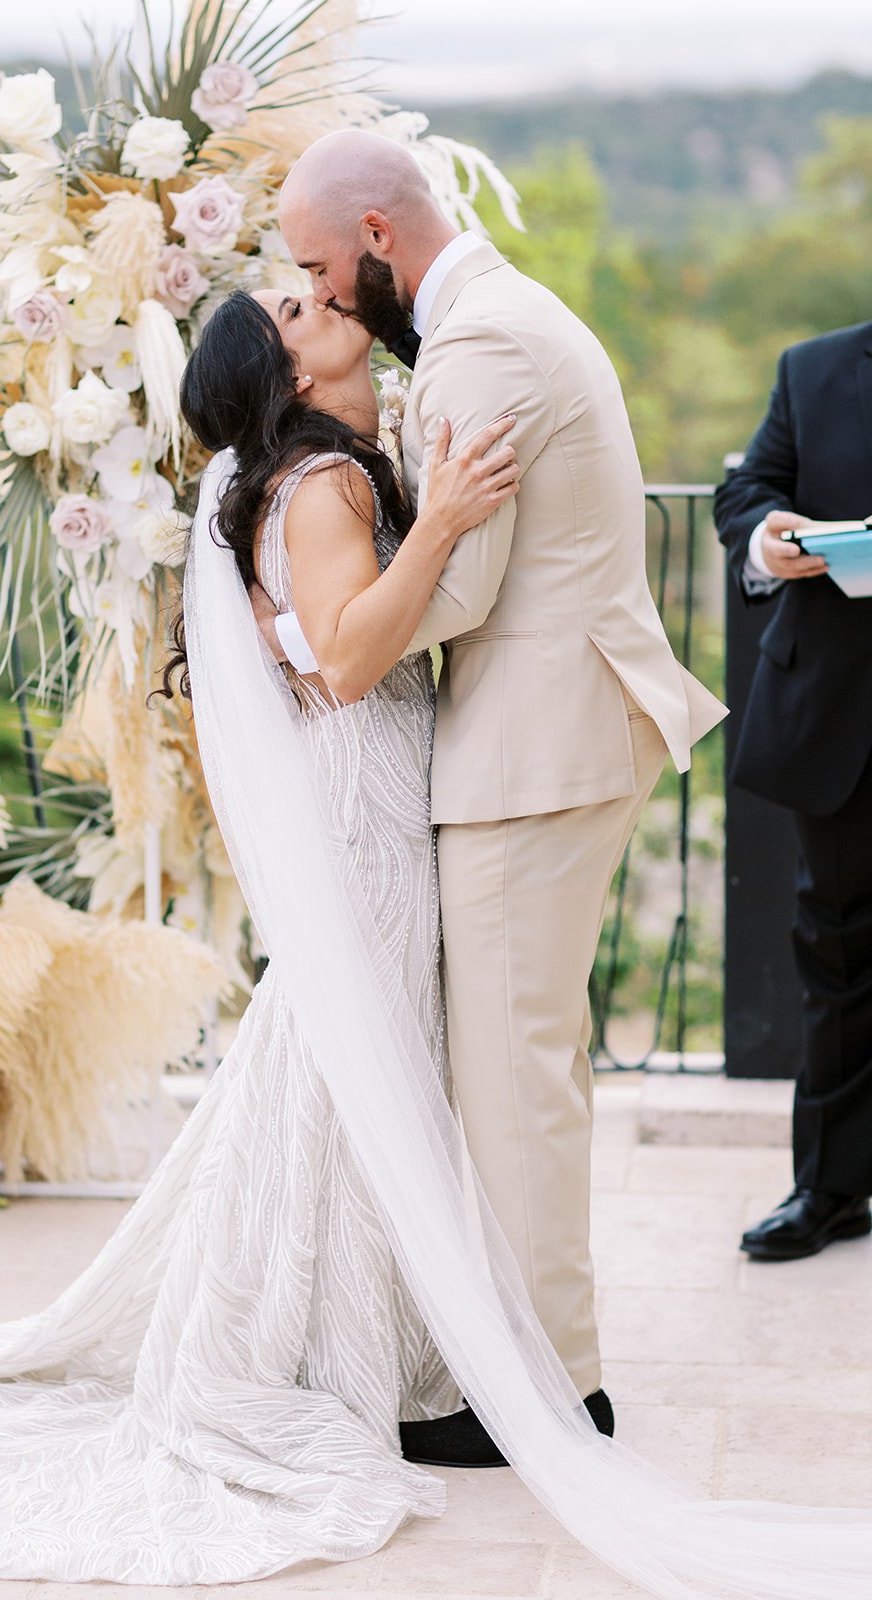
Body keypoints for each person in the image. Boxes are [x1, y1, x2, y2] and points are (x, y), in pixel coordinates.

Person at [0, 251, 870, 1600]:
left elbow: (312, 647)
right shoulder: (329, 485)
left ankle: (365, 1333)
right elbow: (355, 656)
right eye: (297, 309)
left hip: (365, 792)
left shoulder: (318, 470)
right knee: (357, 1056)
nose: (322, 301)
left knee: (350, 1061)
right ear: (291, 371)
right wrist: (445, 519)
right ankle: (324, 1354)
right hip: (363, 810)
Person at [263, 129, 727, 1464]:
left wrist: (321, 615)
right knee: (525, 1065)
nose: (321, 291)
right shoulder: (495, 315)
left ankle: (547, 1394)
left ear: (380, 239)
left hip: (537, 744)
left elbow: (459, 593)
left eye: (317, 265)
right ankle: (538, 1367)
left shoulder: (480, 344)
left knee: (514, 1077)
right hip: (548, 729)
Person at [714, 321, 872, 1263]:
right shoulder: (812, 368)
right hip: (840, 716)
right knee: (838, 955)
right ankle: (831, 1188)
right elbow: (747, 490)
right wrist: (769, 541)